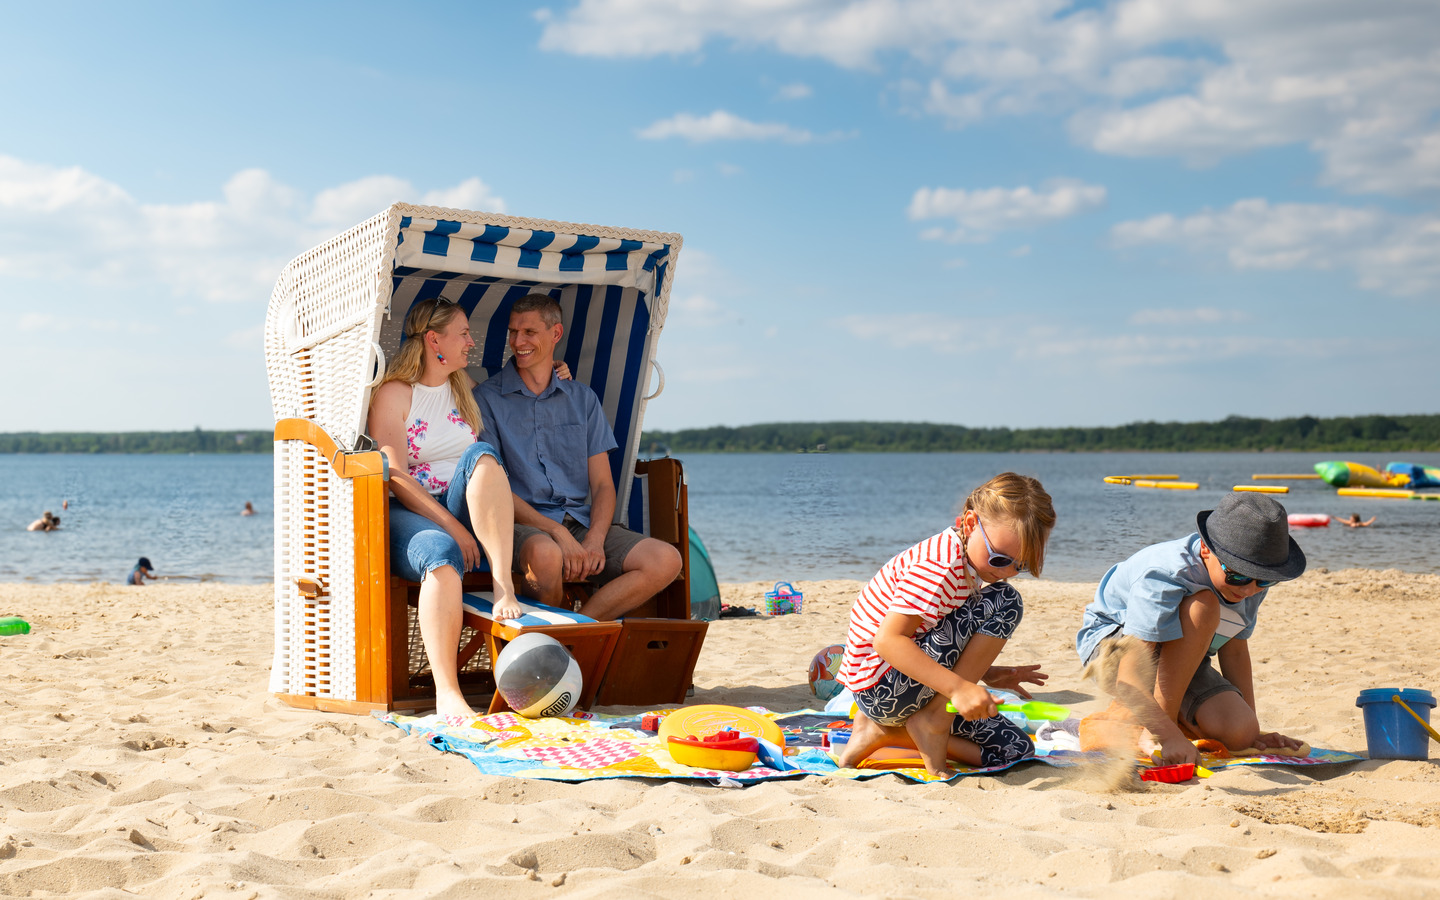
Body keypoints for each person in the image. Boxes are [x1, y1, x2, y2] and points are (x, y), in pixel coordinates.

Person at [473, 293, 683, 621]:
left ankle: (573, 638)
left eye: (529, 332)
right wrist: (557, 534)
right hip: (520, 525)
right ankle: (560, 645)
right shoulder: (485, 398)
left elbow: (602, 484)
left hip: (580, 523)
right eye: (513, 332)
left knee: (665, 560)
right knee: (546, 555)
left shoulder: (582, 398)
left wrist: (596, 540)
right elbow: (494, 489)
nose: (518, 341)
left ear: (555, 334)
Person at [833, 473, 1057, 777]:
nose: (1007, 572)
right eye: (999, 558)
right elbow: (888, 641)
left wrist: (984, 673)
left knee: (1014, 751)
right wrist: (958, 687)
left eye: (1022, 565)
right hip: (882, 686)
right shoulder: (939, 566)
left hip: (905, 689)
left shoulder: (969, 563)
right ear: (969, 524)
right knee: (1005, 601)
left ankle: (885, 733)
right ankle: (932, 721)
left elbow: (932, 631)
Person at [367, 296, 526, 720]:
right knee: (439, 553)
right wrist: (453, 529)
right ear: (434, 339)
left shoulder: (465, 389)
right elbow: (397, 477)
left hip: (462, 504)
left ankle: (502, 585)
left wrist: (562, 369)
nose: (471, 342)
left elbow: (517, 397)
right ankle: (448, 694)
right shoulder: (394, 394)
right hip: (412, 507)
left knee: (484, 455)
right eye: (463, 334)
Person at [1075, 493, 1307, 766]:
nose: (1248, 589)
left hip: (1181, 659)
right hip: (1115, 650)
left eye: (1265, 580)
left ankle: (1158, 719)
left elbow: (1234, 652)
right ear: (1207, 550)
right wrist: (1166, 735)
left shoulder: (1250, 583)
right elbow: (1129, 675)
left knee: (1239, 731)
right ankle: (1148, 725)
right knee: (1204, 605)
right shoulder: (1165, 574)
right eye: (1238, 575)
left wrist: (1252, 732)